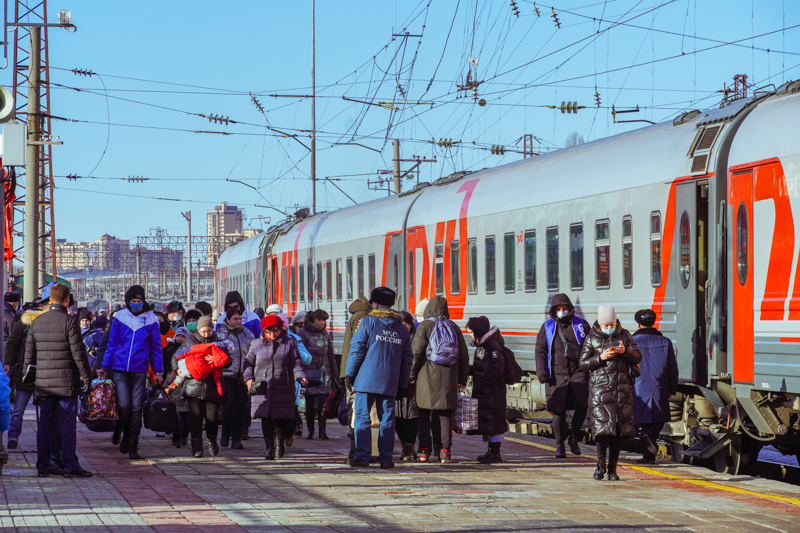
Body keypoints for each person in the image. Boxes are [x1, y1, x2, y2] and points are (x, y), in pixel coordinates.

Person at [23, 283, 93, 478]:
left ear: (50, 300)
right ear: (67, 299)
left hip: (44, 385)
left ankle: (43, 467)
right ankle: (70, 465)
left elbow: (29, 356)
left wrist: (29, 380)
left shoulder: (37, 322)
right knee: (68, 425)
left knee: (44, 425)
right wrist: (87, 379)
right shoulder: (70, 322)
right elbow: (79, 354)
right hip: (66, 383)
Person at [346, 287, 413, 469]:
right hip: (390, 381)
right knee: (388, 420)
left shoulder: (367, 322)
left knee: (362, 417)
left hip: (365, 380)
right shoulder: (402, 329)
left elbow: (357, 349)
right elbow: (407, 360)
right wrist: (402, 384)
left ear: (374, 303)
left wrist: (349, 373)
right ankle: (386, 458)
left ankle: (362, 456)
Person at [98, 285, 164, 460]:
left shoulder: (151, 320)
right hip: (119, 368)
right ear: (127, 302)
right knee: (124, 406)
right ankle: (125, 433)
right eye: (133, 301)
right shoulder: (119, 318)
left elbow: (156, 347)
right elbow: (111, 344)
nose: (136, 304)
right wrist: (104, 367)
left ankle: (133, 444)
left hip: (140, 369)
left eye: (139, 301)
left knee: (136, 407)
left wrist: (158, 370)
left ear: (144, 301)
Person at [579, 304, 642, 481]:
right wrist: (600, 358)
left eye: (612, 324)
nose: (609, 328)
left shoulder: (625, 335)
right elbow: (582, 364)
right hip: (600, 390)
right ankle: (600, 466)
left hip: (621, 390)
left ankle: (613, 469)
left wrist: (625, 351)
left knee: (618, 431)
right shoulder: (591, 338)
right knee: (602, 430)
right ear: (600, 324)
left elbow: (637, 356)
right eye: (606, 325)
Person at [410, 295, 469, 463]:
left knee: (424, 413)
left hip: (426, 377)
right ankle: (444, 452)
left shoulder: (425, 326)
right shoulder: (454, 327)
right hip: (449, 378)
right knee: (445, 415)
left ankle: (424, 450)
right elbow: (464, 356)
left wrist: (411, 375)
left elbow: (416, 353)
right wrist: (462, 379)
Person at [243, 315, 308, 460]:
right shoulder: (256, 344)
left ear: (281, 329)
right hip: (263, 387)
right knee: (266, 419)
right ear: (264, 330)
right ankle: (270, 448)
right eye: (268, 331)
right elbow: (248, 363)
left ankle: (279, 443)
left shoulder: (290, 343)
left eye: (275, 331)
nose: (272, 334)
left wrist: (300, 376)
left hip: (283, 386)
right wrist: (248, 378)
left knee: (281, 419)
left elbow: (296, 362)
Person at [534, 293, 591, 458]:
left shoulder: (581, 325)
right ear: (553, 310)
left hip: (578, 372)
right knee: (558, 411)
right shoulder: (547, 327)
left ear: (570, 309)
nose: (562, 312)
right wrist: (541, 371)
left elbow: (591, 344)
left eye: (565, 309)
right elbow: (540, 351)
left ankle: (573, 436)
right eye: (558, 309)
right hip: (556, 375)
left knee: (582, 406)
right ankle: (559, 445)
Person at [175, 316, 232, 458]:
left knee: (212, 419)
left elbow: (228, 360)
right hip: (193, 386)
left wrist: (216, 360)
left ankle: (212, 441)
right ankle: (196, 447)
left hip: (213, 386)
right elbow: (176, 356)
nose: (207, 334)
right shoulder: (190, 341)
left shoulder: (218, 341)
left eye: (209, 331)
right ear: (198, 330)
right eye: (204, 331)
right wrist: (177, 370)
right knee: (196, 418)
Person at [632, 308, 678, 464]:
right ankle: (648, 455)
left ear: (638, 324)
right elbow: (672, 368)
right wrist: (672, 388)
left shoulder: (631, 342)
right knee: (658, 418)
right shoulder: (665, 342)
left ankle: (648, 452)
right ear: (654, 322)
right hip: (659, 385)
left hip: (638, 386)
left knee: (644, 420)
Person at [465, 316, 508, 464]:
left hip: (492, 391)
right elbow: (481, 367)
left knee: (494, 420)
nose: (469, 334)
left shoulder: (492, 345)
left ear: (478, 330)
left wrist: (482, 383)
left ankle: (495, 452)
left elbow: (497, 368)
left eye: (471, 331)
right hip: (488, 391)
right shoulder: (483, 344)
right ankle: (491, 451)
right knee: (490, 421)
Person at [3, 303, 45, 449]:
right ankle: (45, 439)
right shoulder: (43, 323)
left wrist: (9, 363)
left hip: (24, 371)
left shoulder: (24, 323)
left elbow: (12, 344)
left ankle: (13, 437)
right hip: (44, 372)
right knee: (46, 409)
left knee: (18, 409)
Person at [217, 307, 255, 449]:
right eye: (235, 319)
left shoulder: (247, 333)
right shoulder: (221, 334)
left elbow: (253, 351)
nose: (238, 321)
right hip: (227, 374)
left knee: (241, 408)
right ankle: (225, 435)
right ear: (228, 320)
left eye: (240, 319)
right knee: (229, 406)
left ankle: (237, 438)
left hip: (243, 375)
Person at [298, 309, 338, 439]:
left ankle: (322, 431)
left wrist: (334, 374)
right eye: (323, 320)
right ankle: (310, 430)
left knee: (322, 404)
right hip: (310, 372)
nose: (325, 323)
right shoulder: (303, 333)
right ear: (316, 320)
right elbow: (300, 354)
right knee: (309, 405)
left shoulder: (325, 334)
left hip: (324, 373)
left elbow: (330, 355)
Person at [279, 312, 313, 442]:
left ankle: (289, 432)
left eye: (283, 327)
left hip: (291, 382)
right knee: (276, 412)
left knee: (291, 411)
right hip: (275, 381)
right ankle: (277, 438)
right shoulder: (267, 340)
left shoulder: (295, 339)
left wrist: (295, 351)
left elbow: (307, 358)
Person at [395, 311, 419, 461]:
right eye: (401, 325)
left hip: (412, 383)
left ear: (410, 325)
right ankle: (405, 446)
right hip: (398, 382)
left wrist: (412, 375)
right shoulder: (395, 338)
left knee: (411, 416)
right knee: (398, 417)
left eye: (406, 325)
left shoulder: (416, 339)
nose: (404, 328)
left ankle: (409, 448)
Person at [164, 327, 190, 448]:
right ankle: (176, 436)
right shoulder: (168, 349)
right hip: (173, 383)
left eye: (183, 336)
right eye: (178, 335)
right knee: (174, 415)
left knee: (187, 417)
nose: (180, 338)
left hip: (187, 385)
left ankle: (184, 434)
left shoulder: (190, 349)